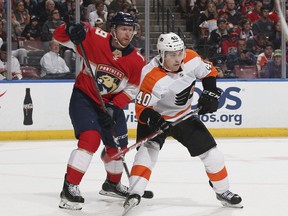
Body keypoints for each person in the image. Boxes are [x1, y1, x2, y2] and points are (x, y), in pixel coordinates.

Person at [123, 32, 243, 212]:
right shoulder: (150, 75)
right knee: (147, 153)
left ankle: (223, 191)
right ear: (161, 54)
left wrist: (210, 92)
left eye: (180, 52)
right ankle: (135, 192)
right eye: (172, 54)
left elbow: (209, 71)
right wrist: (156, 120)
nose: (178, 58)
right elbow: (141, 110)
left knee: (213, 155)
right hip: (156, 117)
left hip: (183, 116)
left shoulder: (191, 58)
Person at [53, 11, 146, 210]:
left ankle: (112, 184)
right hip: (84, 98)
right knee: (90, 139)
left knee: (118, 148)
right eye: (123, 29)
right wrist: (69, 29)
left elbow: (132, 88)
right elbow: (59, 37)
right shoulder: (94, 38)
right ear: (113, 30)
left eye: (130, 30)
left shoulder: (137, 60)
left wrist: (115, 106)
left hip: (111, 105)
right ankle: (70, 188)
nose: (127, 34)